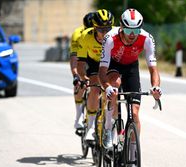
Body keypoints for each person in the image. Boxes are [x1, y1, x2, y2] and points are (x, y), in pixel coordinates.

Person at [98, 8, 162, 150]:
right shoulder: (110, 38)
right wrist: (107, 87)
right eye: (128, 31)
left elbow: (153, 69)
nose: (132, 34)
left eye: (136, 30)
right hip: (113, 65)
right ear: (121, 27)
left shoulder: (147, 38)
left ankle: (133, 151)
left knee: (134, 112)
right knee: (115, 85)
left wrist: (155, 87)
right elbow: (102, 71)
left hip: (131, 67)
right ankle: (108, 128)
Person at [77, 9, 114, 141]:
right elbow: (80, 62)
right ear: (94, 28)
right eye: (100, 30)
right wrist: (82, 77)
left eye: (107, 29)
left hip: (110, 62)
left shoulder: (115, 35)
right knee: (95, 88)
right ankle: (91, 127)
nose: (104, 33)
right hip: (93, 62)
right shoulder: (86, 36)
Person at [69, 12, 94, 130]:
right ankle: (79, 115)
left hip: (96, 57)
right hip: (83, 58)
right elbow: (74, 58)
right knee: (79, 83)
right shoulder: (78, 35)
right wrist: (76, 75)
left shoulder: (102, 33)